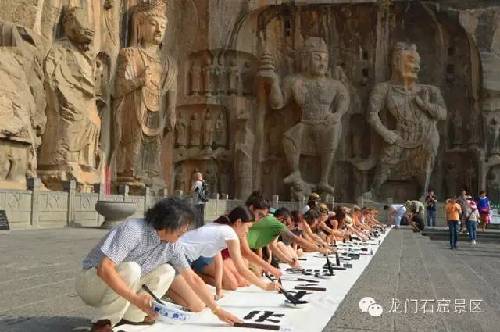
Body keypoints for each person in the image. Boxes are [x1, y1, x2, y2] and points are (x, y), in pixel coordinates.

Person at [75, 198, 239, 332]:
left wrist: (217, 311)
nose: (186, 230)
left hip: (121, 285)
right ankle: (104, 322)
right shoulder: (133, 230)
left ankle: (133, 315)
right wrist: (136, 298)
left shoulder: (173, 245)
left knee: (167, 271)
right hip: (92, 283)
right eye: (183, 227)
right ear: (168, 224)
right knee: (132, 268)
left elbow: (192, 278)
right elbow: (104, 268)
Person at [168, 206, 280, 310]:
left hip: (182, 261)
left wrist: (218, 288)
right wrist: (265, 286)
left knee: (207, 300)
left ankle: (169, 286)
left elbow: (219, 260)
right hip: (173, 259)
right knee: (198, 306)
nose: (247, 232)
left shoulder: (221, 228)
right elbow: (242, 269)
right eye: (247, 228)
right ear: (238, 222)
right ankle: (165, 288)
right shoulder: (230, 234)